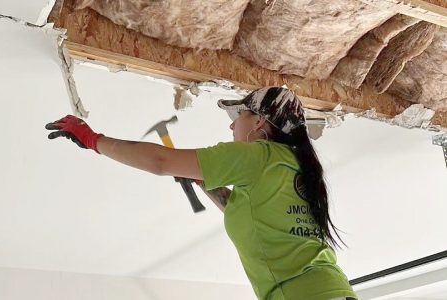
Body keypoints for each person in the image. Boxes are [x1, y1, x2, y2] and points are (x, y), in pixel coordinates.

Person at [45, 86, 357, 300]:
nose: (231, 128)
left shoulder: (257, 155)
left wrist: (90, 138)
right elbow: (256, 214)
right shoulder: (296, 165)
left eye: (238, 118)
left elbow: (159, 160)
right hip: (332, 290)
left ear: (259, 121)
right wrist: (207, 183)